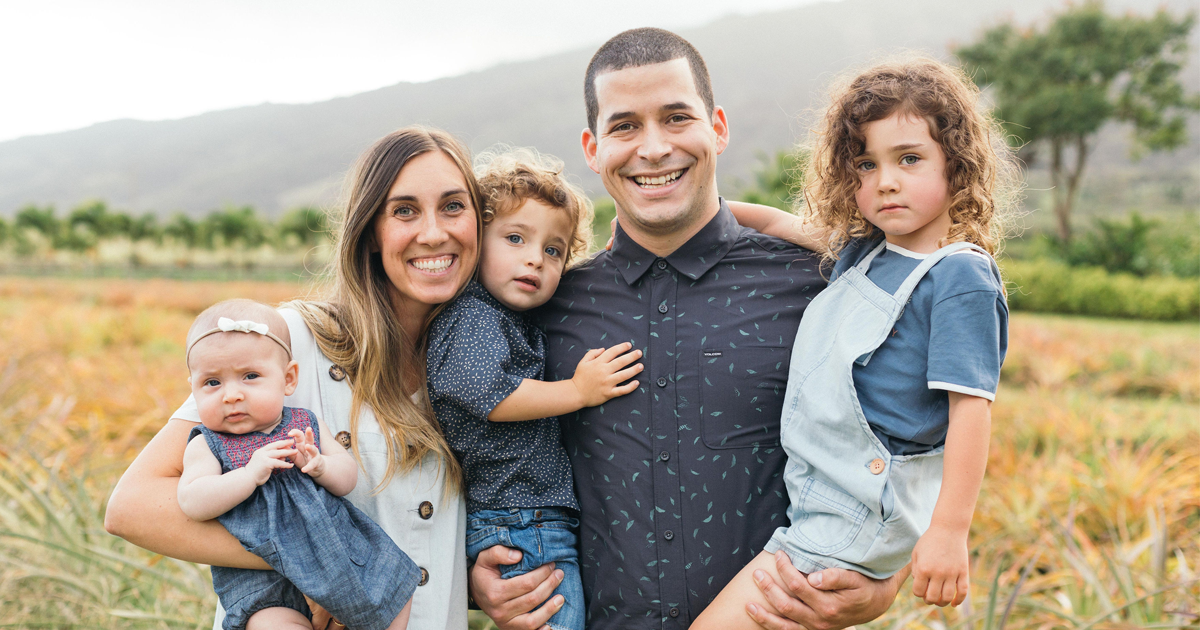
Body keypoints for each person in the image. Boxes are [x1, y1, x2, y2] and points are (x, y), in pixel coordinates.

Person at [470, 28, 908, 630]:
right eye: (624, 126)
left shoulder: (819, 284)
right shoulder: (541, 309)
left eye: (677, 118)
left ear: (718, 128)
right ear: (592, 148)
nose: (653, 148)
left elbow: (914, 436)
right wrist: (479, 575)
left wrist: (888, 579)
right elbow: (451, 446)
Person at [106, 126, 483, 629]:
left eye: (454, 206)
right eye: (405, 210)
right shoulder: (286, 342)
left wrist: (479, 579)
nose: (434, 232)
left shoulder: (489, 365)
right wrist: (328, 564)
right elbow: (134, 507)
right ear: (370, 230)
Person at [692, 58, 1016, 628]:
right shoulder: (870, 252)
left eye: (909, 159)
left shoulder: (958, 275)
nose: (885, 180)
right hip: (824, 492)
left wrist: (948, 532)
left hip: (858, 510)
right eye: (866, 165)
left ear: (956, 167)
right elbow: (778, 224)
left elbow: (971, 409)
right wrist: (696, 219)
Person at [427, 148, 643, 630]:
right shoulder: (472, 316)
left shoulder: (508, 315)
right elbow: (492, 395)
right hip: (519, 519)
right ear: (476, 240)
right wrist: (579, 391)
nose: (534, 259)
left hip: (529, 517)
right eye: (516, 238)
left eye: (553, 250)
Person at [178, 299, 418, 630]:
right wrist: (248, 476)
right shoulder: (207, 443)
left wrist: (320, 466)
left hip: (335, 555)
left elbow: (348, 478)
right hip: (264, 579)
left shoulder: (305, 424)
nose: (230, 395)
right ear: (193, 387)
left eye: (250, 376)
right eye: (212, 383)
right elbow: (192, 500)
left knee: (396, 586)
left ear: (289, 378)